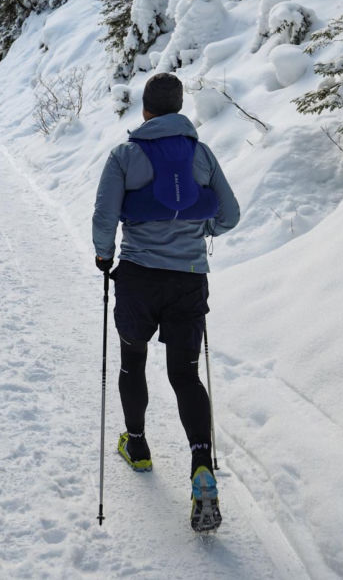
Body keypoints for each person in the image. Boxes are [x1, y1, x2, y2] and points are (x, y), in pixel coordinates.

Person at [92, 72, 240, 532]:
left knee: (132, 362)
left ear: (145, 111)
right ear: (180, 110)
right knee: (185, 374)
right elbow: (229, 215)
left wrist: (104, 256)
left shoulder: (125, 154)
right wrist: (202, 233)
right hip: (188, 281)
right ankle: (201, 465)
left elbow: (105, 215)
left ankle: (136, 446)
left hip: (138, 277)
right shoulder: (201, 154)